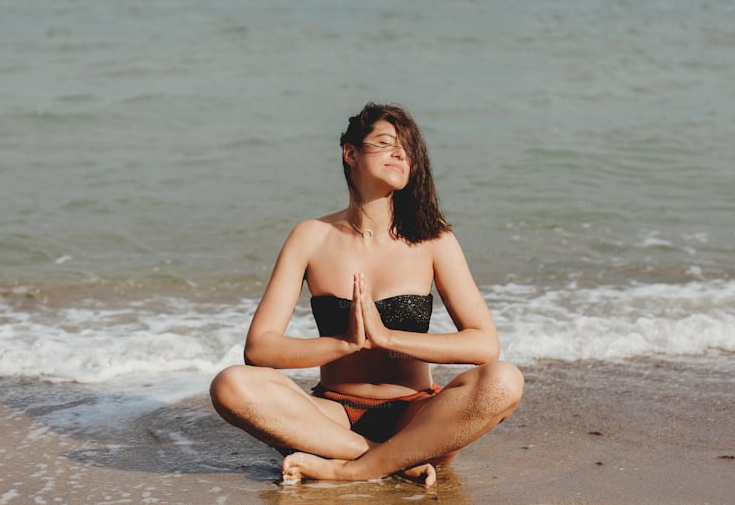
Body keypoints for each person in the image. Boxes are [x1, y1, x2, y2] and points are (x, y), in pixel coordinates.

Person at [209, 102, 523, 487]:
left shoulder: (433, 239)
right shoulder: (311, 236)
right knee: (231, 384)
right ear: (350, 153)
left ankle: (350, 468)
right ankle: (388, 458)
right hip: (331, 416)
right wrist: (344, 343)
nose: (399, 154)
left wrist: (387, 338)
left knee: (504, 380)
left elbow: (483, 344)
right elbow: (260, 349)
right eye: (386, 143)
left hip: (417, 416)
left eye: (408, 149)